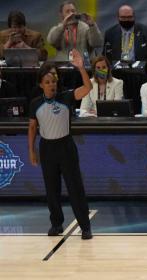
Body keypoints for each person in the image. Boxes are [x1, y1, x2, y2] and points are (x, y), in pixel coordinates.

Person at [27, 54, 92, 240]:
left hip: (66, 147)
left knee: (75, 187)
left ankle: (85, 226)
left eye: (53, 81)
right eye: (47, 82)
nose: (51, 84)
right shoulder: (35, 104)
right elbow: (32, 127)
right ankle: (56, 224)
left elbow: (88, 88)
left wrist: (81, 67)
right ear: (41, 84)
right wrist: (31, 150)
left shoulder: (66, 97)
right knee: (51, 189)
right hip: (47, 148)